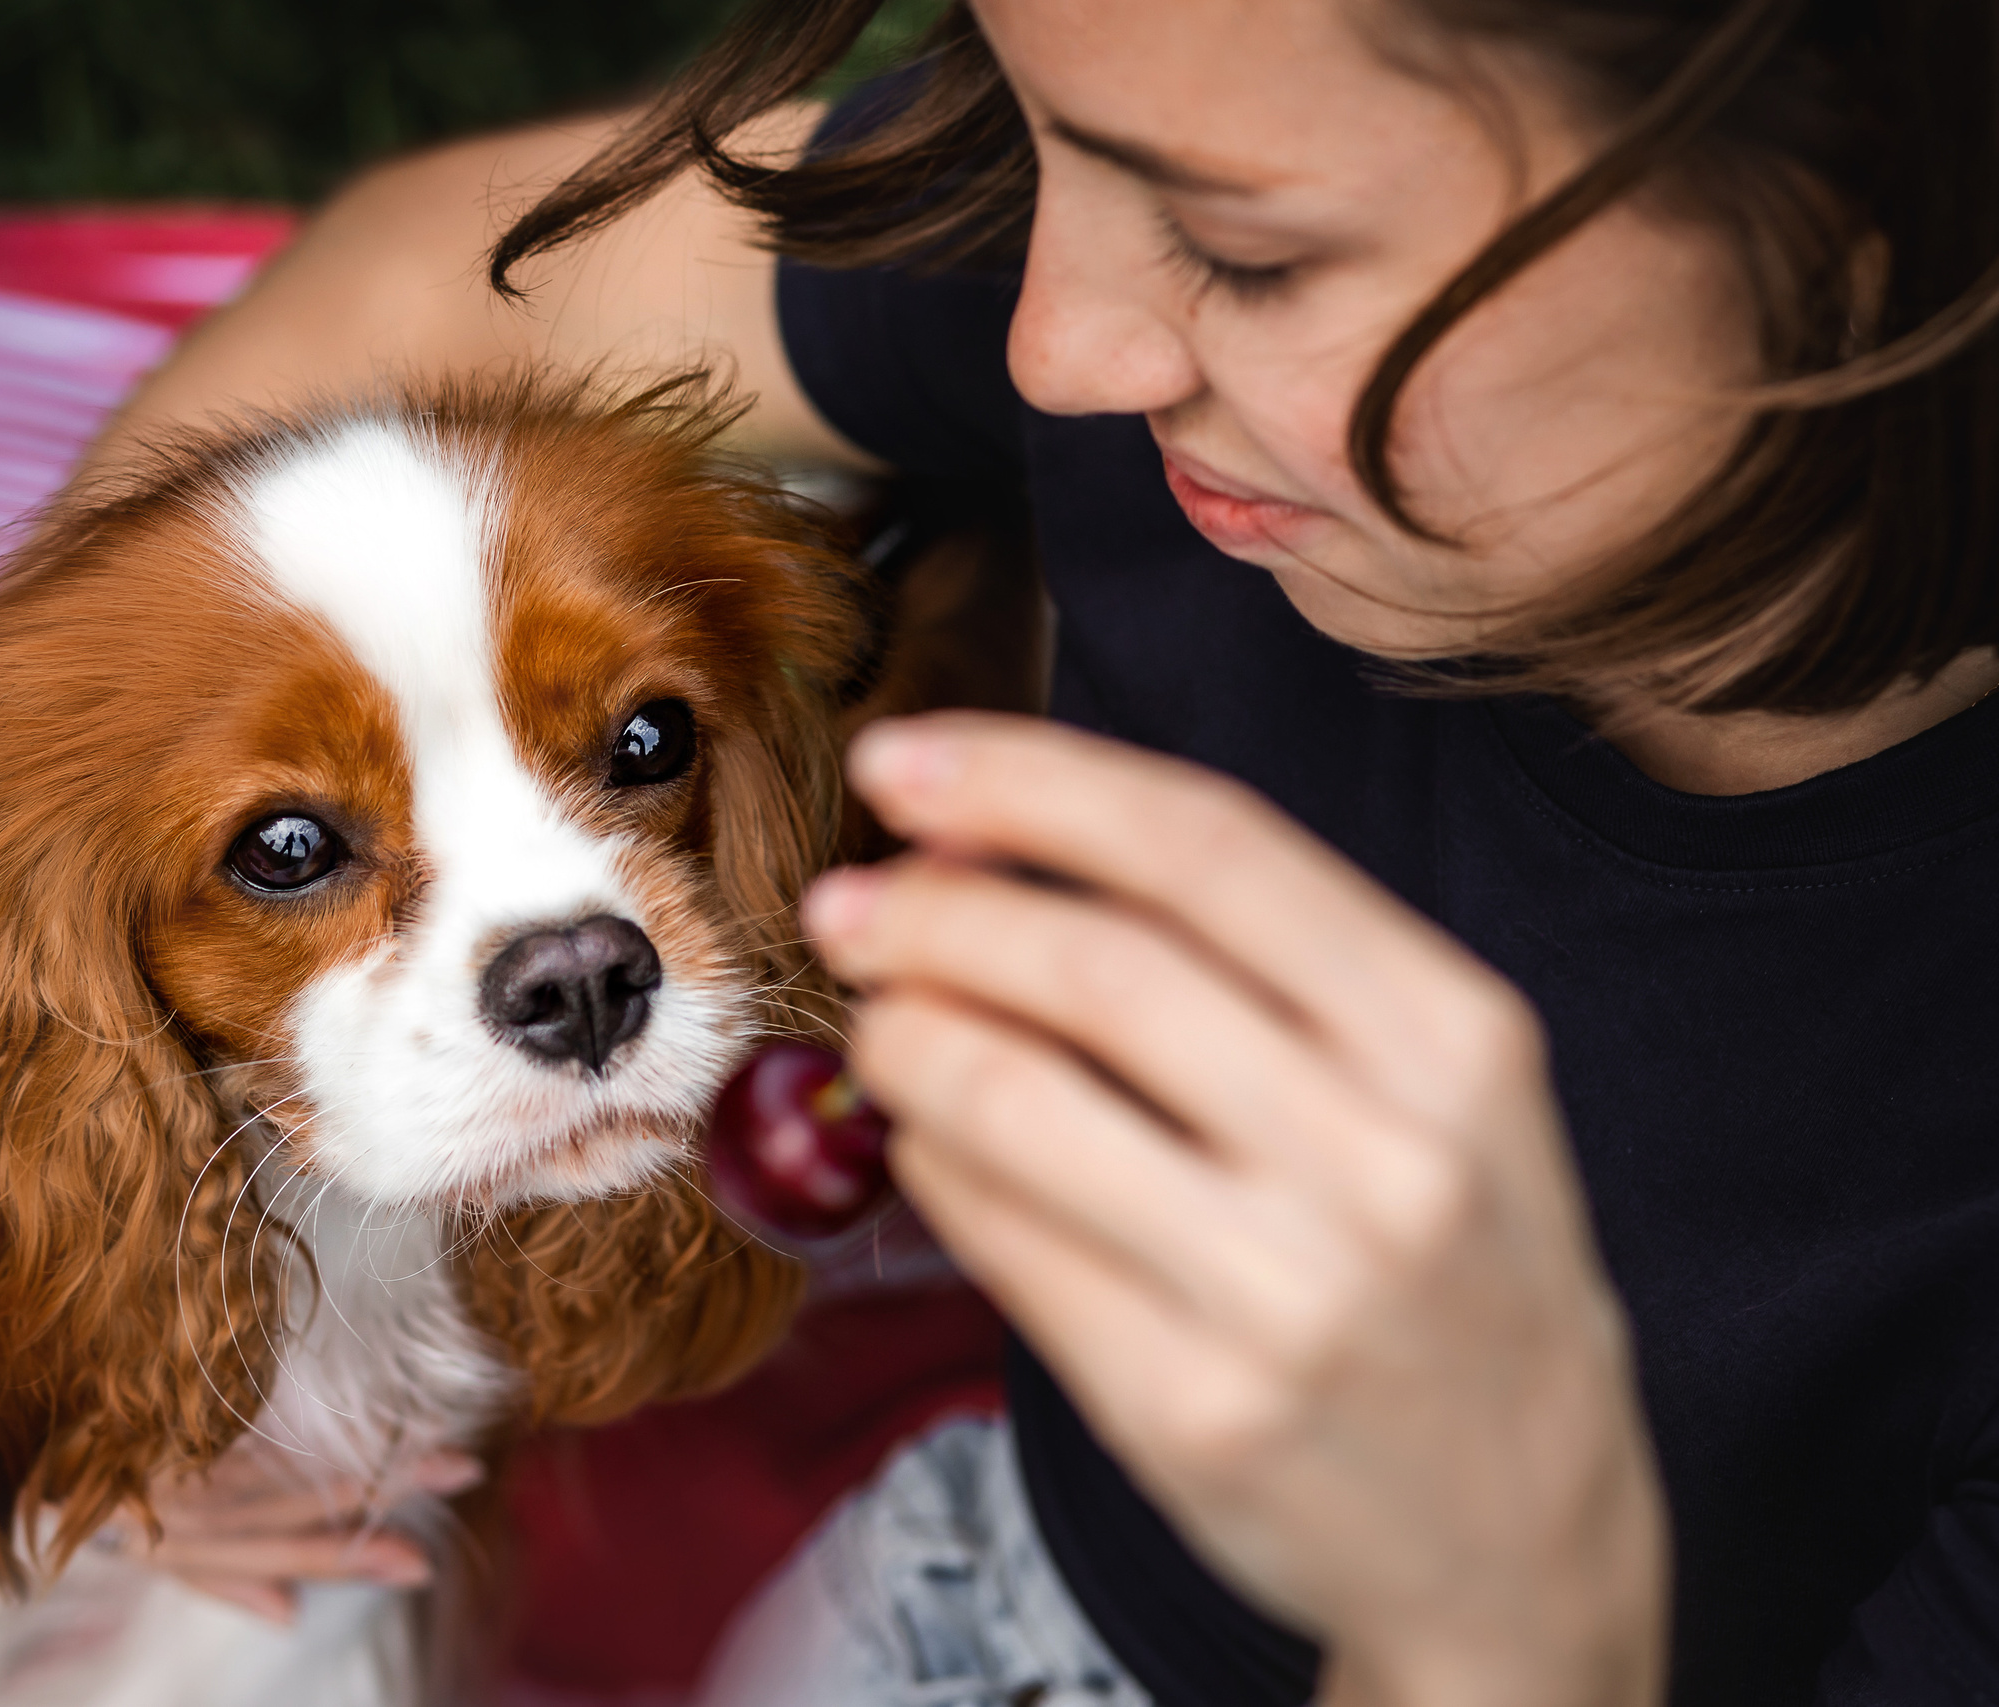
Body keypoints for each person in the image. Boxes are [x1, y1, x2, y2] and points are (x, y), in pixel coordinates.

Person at [100, 0, 1999, 1702]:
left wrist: (1505, 1616)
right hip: (983, 1566)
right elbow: (409, 282)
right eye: (1026, 137)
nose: (1052, 346)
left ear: (1888, 238)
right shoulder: (1194, 164)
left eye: (1249, 251)